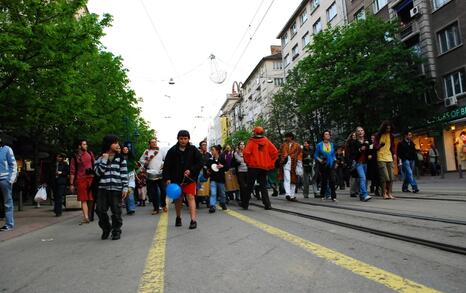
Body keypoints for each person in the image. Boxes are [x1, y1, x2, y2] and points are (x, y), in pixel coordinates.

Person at [163, 130, 203, 229]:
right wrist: (167, 178)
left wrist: (191, 170)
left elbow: (200, 162)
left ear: (189, 139)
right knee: (178, 199)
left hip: (189, 179)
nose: (183, 141)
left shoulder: (193, 150)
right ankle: (178, 217)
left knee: (190, 197)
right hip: (176, 179)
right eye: (181, 138)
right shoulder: (172, 151)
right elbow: (166, 166)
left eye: (185, 138)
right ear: (178, 139)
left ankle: (193, 220)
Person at [94, 135, 128, 240]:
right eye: (115, 143)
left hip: (116, 189)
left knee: (116, 211)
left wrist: (125, 187)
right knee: (100, 210)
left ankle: (116, 230)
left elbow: (123, 173)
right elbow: (97, 173)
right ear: (109, 144)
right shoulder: (99, 158)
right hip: (102, 189)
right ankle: (106, 228)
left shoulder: (120, 158)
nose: (117, 145)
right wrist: (104, 160)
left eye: (117, 142)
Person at [243, 126, 278, 210]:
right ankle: (267, 204)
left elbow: (246, 153)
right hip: (263, 167)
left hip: (253, 167)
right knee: (263, 186)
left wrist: (248, 162)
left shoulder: (251, 141)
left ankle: (245, 204)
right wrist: (270, 163)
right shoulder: (266, 141)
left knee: (250, 185)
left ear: (255, 132)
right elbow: (275, 152)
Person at [70, 139, 95, 225]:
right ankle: (86, 217)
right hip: (80, 179)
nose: (86, 146)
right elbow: (72, 171)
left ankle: (89, 214)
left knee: (91, 198)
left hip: (91, 178)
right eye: (84, 144)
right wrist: (71, 184)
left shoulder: (90, 154)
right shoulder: (74, 157)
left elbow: (94, 165)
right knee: (83, 199)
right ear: (79, 146)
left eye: (86, 144)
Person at [140, 138, 167, 215]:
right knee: (153, 192)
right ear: (149, 144)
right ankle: (156, 208)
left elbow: (166, 159)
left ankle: (163, 205)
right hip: (150, 173)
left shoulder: (160, 151)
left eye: (155, 142)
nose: (154, 143)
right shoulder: (146, 152)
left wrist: (163, 165)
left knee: (163, 190)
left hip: (160, 173)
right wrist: (145, 162)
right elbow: (141, 160)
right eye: (152, 142)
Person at [374, 121, 396, 200]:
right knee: (385, 177)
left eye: (389, 128)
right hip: (381, 157)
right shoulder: (378, 135)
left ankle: (389, 193)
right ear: (383, 128)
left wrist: (394, 154)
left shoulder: (391, 135)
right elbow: (375, 146)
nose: (388, 130)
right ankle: (384, 193)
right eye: (387, 128)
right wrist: (380, 145)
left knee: (391, 177)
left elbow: (393, 145)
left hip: (389, 156)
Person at [348, 127, 372, 202]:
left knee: (364, 179)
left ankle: (362, 195)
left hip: (365, 162)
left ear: (364, 132)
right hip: (358, 162)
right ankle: (364, 194)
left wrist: (370, 154)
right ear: (356, 133)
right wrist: (359, 150)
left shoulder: (367, 141)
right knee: (362, 177)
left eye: (362, 130)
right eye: (358, 131)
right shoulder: (354, 142)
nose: (360, 132)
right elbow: (352, 154)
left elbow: (369, 150)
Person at [278, 132, 302, 201]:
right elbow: (279, 153)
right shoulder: (283, 145)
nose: (286, 138)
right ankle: (288, 194)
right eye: (286, 137)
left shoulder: (297, 145)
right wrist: (281, 158)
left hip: (294, 164)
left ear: (291, 137)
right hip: (285, 164)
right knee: (287, 178)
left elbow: (300, 154)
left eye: (287, 137)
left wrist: (299, 161)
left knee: (293, 180)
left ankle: (292, 195)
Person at [314, 130, 337, 201]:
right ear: (323, 136)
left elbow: (333, 155)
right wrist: (320, 160)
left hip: (331, 164)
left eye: (328, 134)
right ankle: (322, 195)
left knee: (332, 180)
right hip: (323, 165)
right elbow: (315, 155)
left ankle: (333, 196)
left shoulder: (332, 144)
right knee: (324, 180)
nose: (328, 135)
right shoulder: (319, 145)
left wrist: (335, 161)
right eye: (326, 134)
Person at [0, 138, 17, 231]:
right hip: (5, 179)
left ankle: (9, 224)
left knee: (7, 202)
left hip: (4, 178)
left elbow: (13, 165)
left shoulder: (7, 149)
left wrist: (10, 179)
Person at [207, 145, 228, 213]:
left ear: (217, 151)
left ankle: (222, 203)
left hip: (221, 179)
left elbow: (227, 167)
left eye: (213, 150)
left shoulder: (222, 159)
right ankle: (212, 206)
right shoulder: (210, 160)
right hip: (213, 179)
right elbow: (207, 168)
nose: (212, 151)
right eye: (211, 150)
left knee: (222, 193)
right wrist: (208, 171)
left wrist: (222, 166)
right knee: (213, 193)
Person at [122, 146, 136, 215]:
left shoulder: (131, 158)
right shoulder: (120, 158)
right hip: (122, 177)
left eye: (126, 149)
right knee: (125, 193)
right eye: (124, 149)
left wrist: (135, 176)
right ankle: (128, 209)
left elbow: (134, 168)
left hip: (131, 177)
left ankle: (131, 208)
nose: (125, 150)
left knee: (130, 192)